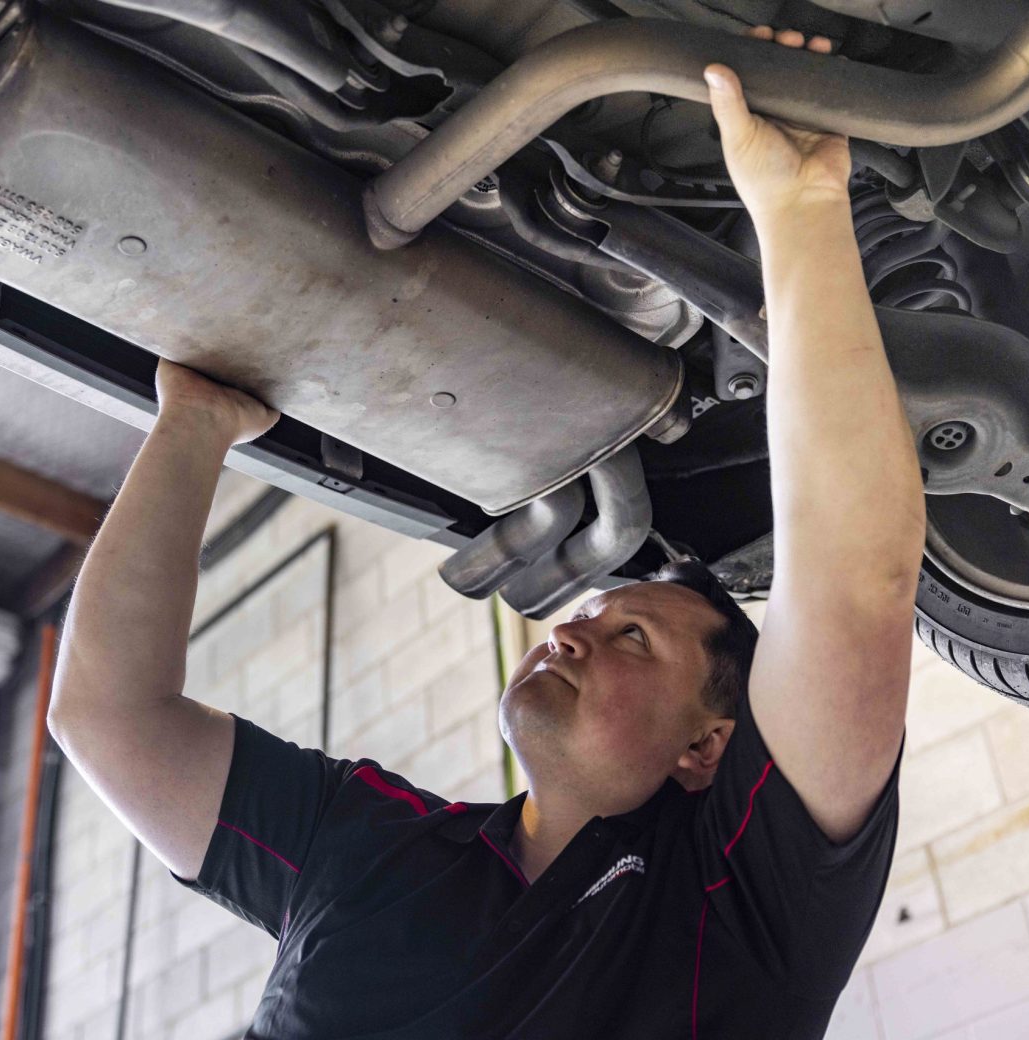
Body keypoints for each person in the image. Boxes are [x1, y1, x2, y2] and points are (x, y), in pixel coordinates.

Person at [48, 24, 924, 1040]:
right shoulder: (373, 847)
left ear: (706, 745)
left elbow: (855, 581)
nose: (566, 632)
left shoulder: (735, 900)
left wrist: (801, 213)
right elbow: (110, 718)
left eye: (630, 636)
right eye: (594, 616)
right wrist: (195, 422)